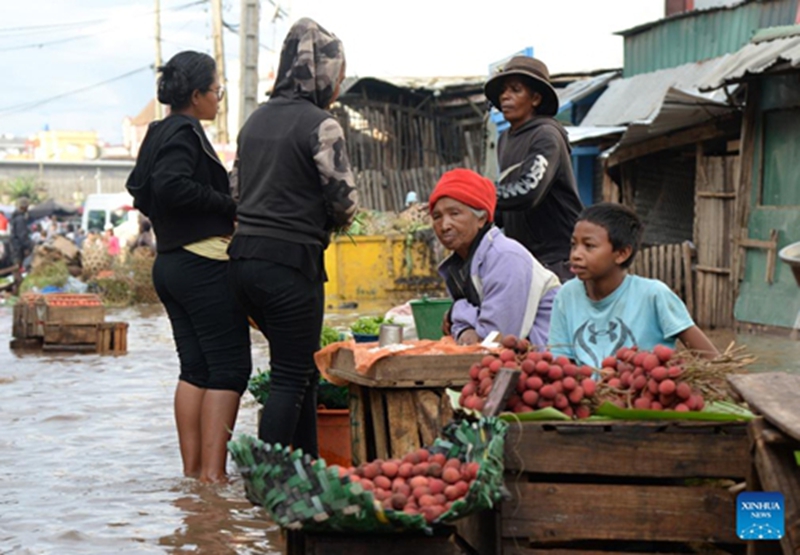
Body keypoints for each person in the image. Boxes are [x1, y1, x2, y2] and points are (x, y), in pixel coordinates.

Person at [228, 17, 358, 458]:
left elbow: (235, 192)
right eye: (336, 75)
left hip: (243, 262)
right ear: (321, 73)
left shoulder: (254, 122)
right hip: (291, 263)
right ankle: (267, 480)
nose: (337, 85)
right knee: (291, 375)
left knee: (301, 371)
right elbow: (344, 202)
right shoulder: (322, 125)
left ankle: (303, 470)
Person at [125, 50, 252, 482]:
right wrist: (227, 205)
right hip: (201, 263)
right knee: (230, 369)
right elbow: (169, 184)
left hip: (171, 264)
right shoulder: (183, 132)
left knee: (196, 368)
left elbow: (143, 189)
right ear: (196, 95)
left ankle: (195, 478)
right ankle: (214, 477)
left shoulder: (158, 132)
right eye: (216, 90)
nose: (219, 98)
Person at [548, 203, 718, 368]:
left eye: (589, 246)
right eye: (573, 244)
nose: (576, 254)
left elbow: (711, 358)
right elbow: (562, 364)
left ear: (622, 253)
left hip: (642, 394)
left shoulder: (653, 295)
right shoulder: (566, 295)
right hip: (588, 394)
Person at [431, 168, 561, 347]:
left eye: (455, 213)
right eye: (437, 216)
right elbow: (464, 332)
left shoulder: (505, 257)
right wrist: (462, 326)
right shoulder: (460, 264)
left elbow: (496, 338)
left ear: (481, 219)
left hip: (545, 360)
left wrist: (456, 311)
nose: (444, 225)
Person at [484, 56, 583, 282]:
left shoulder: (546, 135)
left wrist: (481, 194)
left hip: (559, 260)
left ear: (536, 98)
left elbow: (528, 191)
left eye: (515, 90)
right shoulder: (505, 140)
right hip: (526, 258)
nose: (505, 96)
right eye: (503, 91)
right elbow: (504, 205)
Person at [9, 197, 33, 294]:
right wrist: (30, 246)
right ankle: (17, 290)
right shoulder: (20, 219)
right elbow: (22, 236)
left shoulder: (15, 218)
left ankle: (16, 290)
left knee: (16, 270)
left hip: (15, 247)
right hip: (18, 249)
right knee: (17, 270)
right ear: (24, 207)